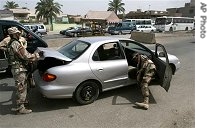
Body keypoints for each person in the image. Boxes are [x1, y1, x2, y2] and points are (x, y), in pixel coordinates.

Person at [6, 27, 42, 114]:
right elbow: (26, 56)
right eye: (17, 33)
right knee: (21, 88)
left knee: (23, 86)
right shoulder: (16, 44)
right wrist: (37, 55)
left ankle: (24, 102)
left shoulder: (10, 43)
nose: (19, 35)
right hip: (19, 69)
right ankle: (20, 108)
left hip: (17, 68)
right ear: (13, 34)